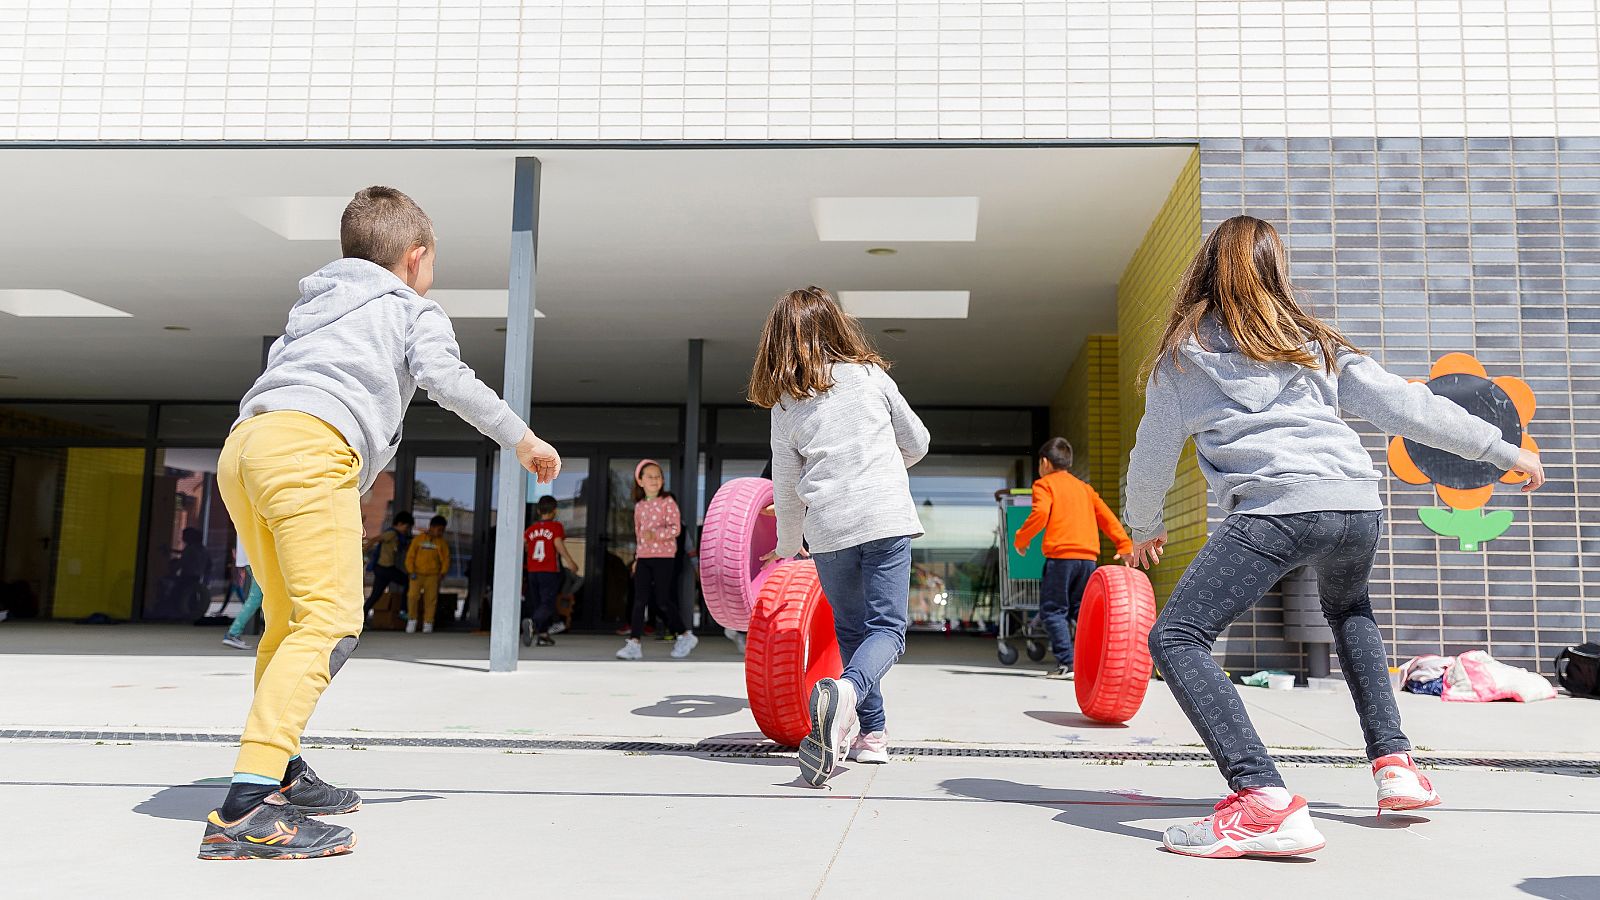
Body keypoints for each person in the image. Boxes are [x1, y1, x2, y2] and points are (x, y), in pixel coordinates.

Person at [1124, 215, 1545, 860]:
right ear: (1276, 272)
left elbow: (1151, 454)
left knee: (1177, 636)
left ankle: (1261, 798)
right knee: (1351, 612)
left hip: (1277, 507)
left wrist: (1144, 528)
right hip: (1353, 501)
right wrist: (1499, 448)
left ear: (1205, 274)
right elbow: (1408, 405)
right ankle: (1395, 766)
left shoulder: (1184, 358)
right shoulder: (1311, 342)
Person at [199, 185, 561, 861]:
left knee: (287, 622)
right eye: (433, 262)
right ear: (416, 257)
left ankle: (281, 769)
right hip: (309, 449)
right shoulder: (408, 307)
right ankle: (248, 808)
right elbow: (446, 379)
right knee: (330, 623)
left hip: (245, 446)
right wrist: (521, 438)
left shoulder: (316, 302)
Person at [750, 286, 930, 787]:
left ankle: (872, 736)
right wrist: (886, 466)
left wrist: (787, 546)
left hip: (827, 527)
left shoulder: (785, 404)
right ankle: (848, 695)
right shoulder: (871, 376)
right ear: (836, 327)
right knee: (887, 631)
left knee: (853, 630)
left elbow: (786, 489)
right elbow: (917, 441)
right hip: (884, 517)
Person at [1013, 437, 1133, 679]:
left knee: (1053, 611)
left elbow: (1040, 514)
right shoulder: (1084, 488)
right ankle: (1099, 662)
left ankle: (1068, 663)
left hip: (1061, 557)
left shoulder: (1044, 485)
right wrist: (1124, 543)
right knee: (1081, 612)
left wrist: (1021, 540)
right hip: (1087, 559)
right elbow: (1106, 517)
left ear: (1045, 463)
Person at [616, 460, 697, 659]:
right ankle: (634, 643)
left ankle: (685, 635)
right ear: (640, 481)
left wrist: (657, 535)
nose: (655, 480)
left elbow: (675, 529)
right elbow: (638, 535)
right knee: (639, 600)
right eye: (650, 476)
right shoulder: (639, 507)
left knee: (662, 600)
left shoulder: (668, 502)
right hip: (644, 557)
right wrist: (636, 558)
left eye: (658, 476)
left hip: (664, 557)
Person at [523, 495, 580, 647]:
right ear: (554, 511)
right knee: (548, 603)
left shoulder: (531, 529)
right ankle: (532, 623)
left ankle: (543, 635)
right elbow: (558, 544)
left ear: (538, 511)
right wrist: (570, 561)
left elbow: (526, 546)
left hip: (533, 570)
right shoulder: (556, 527)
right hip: (548, 570)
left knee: (538, 603)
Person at [405, 514, 450, 634]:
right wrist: (411, 570)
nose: (441, 532)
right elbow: (410, 556)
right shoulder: (418, 540)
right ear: (432, 527)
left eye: (442, 530)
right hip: (417, 574)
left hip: (433, 575)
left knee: (431, 600)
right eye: (439, 529)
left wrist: (443, 572)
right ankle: (412, 621)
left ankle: (428, 623)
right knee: (412, 597)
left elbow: (446, 559)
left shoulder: (442, 543)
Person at [363, 511, 413, 617]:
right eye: (406, 527)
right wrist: (363, 550)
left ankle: (363, 616)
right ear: (399, 524)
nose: (406, 530)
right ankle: (403, 610)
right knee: (408, 582)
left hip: (383, 568)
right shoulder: (392, 533)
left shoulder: (398, 536)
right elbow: (376, 539)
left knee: (376, 594)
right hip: (385, 568)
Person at [221, 541, 264, 651]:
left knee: (257, 597)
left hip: (251, 560)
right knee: (256, 598)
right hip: (258, 560)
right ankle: (233, 633)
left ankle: (234, 633)